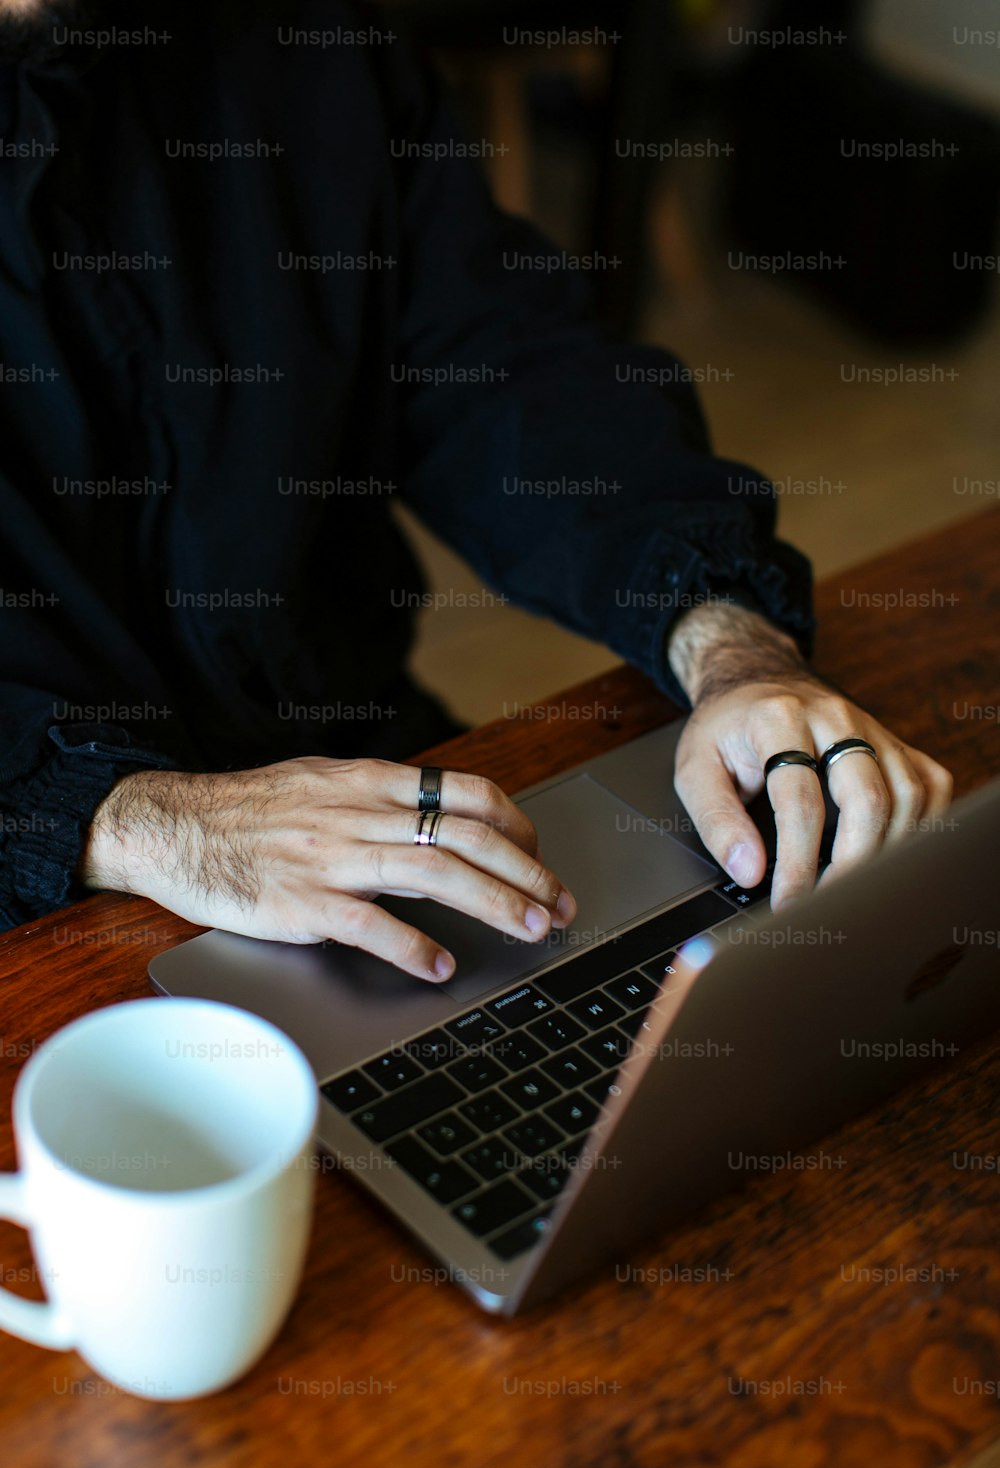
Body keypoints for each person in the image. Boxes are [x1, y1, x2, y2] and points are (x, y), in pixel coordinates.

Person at [0, 0, 952, 979]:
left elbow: (500, 365)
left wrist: (726, 640)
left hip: (365, 783)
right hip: (44, 904)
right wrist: (133, 820)